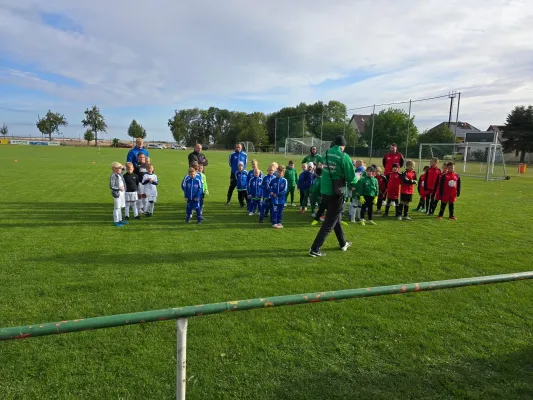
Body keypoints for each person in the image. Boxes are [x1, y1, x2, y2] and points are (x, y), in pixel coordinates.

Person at [309, 135, 355, 257]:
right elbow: (351, 177)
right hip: (336, 193)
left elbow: (319, 167)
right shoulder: (343, 156)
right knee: (329, 223)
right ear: (343, 146)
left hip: (324, 191)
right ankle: (315, 248)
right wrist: (358, 176)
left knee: (336, 219)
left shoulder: (326, 154)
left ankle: (343, 243)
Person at [110, 162, 127, 227]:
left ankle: (120, 220)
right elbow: (111, 186)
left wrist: (121, 166)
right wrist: (119, 188)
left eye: (120, 168)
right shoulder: (113, 176)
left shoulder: (119, 173)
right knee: (117, 207)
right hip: (117, 193)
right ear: (114, 169)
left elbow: (124, 168)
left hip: (122, 193)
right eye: (118, 168)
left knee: (120, 207)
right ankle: (116, 221)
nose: (120, 169)